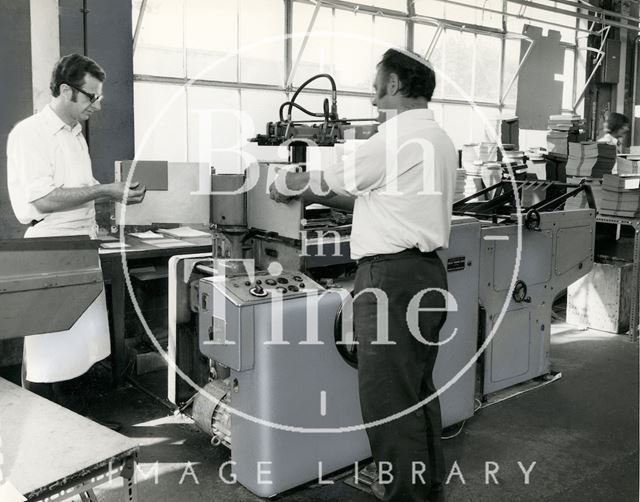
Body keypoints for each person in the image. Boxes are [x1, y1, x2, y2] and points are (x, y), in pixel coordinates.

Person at [270, 48, 457, 502]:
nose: (372, 93)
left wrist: (283, 184)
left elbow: (327, 179)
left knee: (387, 400)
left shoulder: (393, 138)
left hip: (390, 281)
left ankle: (403, 496)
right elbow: (376, 199)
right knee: (415, 389)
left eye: (377, 83)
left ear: (394, 85)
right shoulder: (440, 139)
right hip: (427, 274)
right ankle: (424, 485)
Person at [7, 54, 146, 412]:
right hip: (50, 246)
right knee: (48, 354)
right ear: (67, 90)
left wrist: (116, 192)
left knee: (82, 348)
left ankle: (77, 428)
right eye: (91, 97)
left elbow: (80, 187)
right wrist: (105, 191)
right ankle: (44, 433)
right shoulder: (30, 133)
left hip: (80, 244)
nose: (97, 106)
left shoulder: (75, 135)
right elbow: (44, 198)